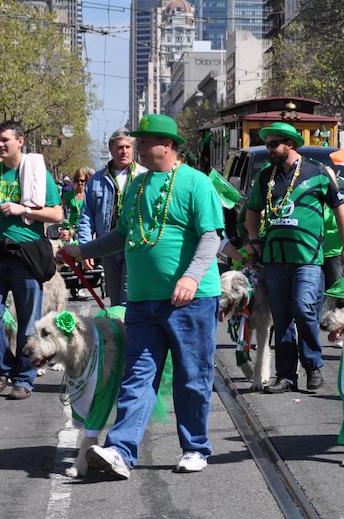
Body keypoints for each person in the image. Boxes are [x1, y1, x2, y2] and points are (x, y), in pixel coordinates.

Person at [61, 113, 224, 478]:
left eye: (146, 141)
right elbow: (121, 235)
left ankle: (195, 447)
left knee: (192, 376)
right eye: (139, 142)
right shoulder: (136, 186)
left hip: (191, 300)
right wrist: (82, 251)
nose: (139, 147)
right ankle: (121, 451)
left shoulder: (196, 183)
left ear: (168, 146)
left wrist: (192, 278)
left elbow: (211, 236)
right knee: (137, 376)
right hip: (141, 300)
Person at [244, 122, 344, 394]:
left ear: (290, 145)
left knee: (304, 309)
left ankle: (313, 365)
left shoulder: (317, 173)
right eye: (268, 144)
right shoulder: (265, 177)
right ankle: (286, 376)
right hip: (273, 260)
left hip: (308, 259)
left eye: (273, 145)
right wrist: (253, 241)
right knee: (281, 318)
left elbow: (340, 210)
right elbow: (252, 211)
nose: (269, 149)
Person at [0, 120, 63, 400]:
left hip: (25, 256)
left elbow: (56, 214)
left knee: (28, 323)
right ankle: (3, 370)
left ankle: (24, 379)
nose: (0, 144)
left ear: (20, 141)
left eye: (5, 140)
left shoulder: (36, 172)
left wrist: (22, 209)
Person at [78, 129, 146, 306]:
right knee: (115, 301)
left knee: (127, 300)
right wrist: (86, 249)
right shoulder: (97, 180)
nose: (124, 151)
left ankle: (129, 331)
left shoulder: (144, 176)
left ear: (133, 149)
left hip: (135, 247)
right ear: (111, 149)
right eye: (119, 147)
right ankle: (121, 332)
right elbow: (86, 216)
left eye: (127, 147)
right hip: (108, 247)